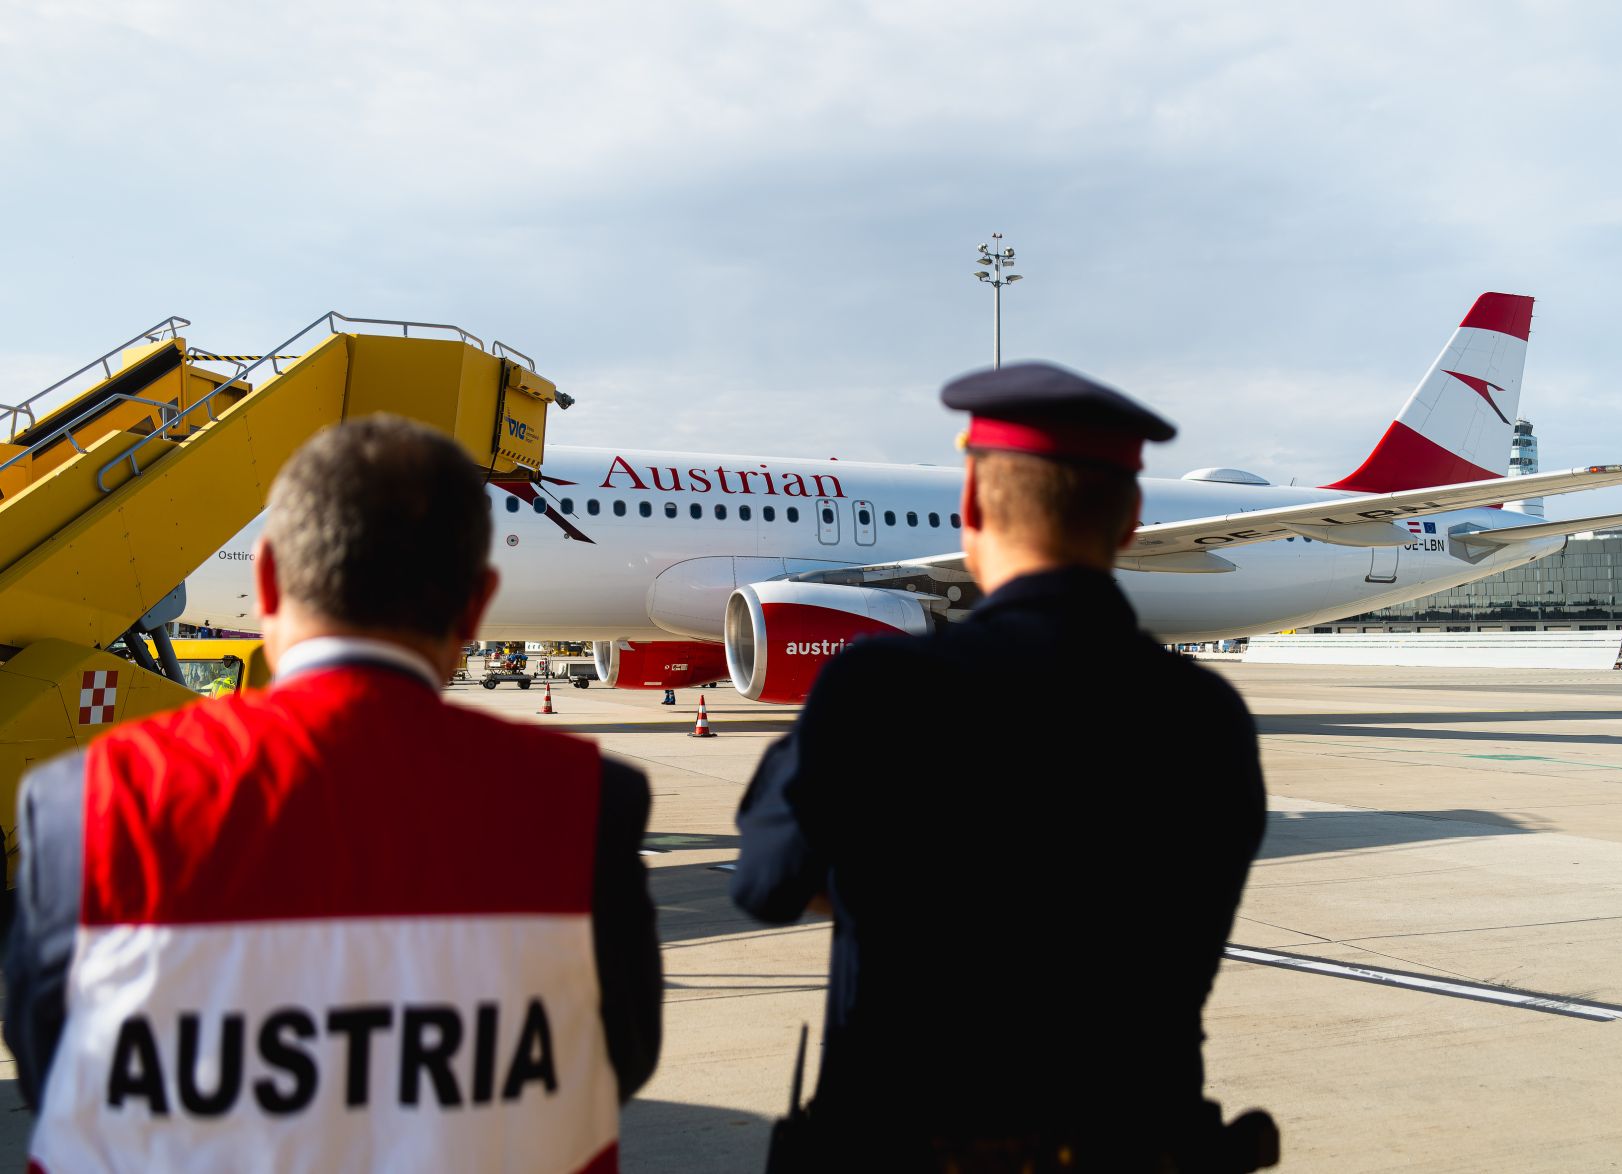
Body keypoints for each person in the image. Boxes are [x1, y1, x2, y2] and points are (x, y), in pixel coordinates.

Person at [5, 416, 661, 1172]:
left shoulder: (82, 801)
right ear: (477, 603)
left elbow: (49, 1063)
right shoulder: (583, 802)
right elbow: (623, 1058)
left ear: (269, 581)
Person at [732, 362, 1272, 1172]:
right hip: (1136, 1143)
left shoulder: (878, 691)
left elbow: (763, 884)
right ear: (1129, 521)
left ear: (972, 508)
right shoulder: (1209, 720)